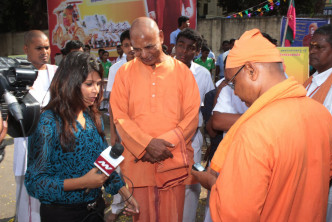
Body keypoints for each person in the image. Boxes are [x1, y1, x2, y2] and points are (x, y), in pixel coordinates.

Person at [193, 29, 332, 221]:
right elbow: (327, 172)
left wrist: (214, 183)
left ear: (251, 71)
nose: (234, 92)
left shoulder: (255, 129)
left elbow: (236, 212)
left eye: (233, 82)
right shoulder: (320, 113)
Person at [24, 52, 139, 221]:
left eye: (99, 84)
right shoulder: (48, 122)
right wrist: (83, 182)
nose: (96, 90)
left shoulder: (90, 116)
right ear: (69, 83)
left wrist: (126, 195)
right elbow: (35, 183)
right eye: (89, 84)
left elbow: (103, 163)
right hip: (62, 215)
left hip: (94, 210)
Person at [110, 17, 200, 222]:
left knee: (172, 216)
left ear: (161, 36)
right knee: (142, 216)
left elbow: (191, 117)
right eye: (137, 49)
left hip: (172, 160)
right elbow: (120, 117)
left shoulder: (182, 72)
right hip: (138, 164)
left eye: (149, 47)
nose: (144, 54)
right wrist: (146, 145)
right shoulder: (124, 74)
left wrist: (163, 147)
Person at [13, 30, 58, 222]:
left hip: (55, 145)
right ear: (26, 49)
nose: (44, 52)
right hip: (26, 144)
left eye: (47, 47)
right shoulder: (15, 75)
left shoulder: (57, 73)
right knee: (27, 197)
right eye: (38, 48)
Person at [303, 24, 332, 222]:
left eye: (320, 47)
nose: (313, 51)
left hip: (323, 185)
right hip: (307, 176)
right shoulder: (313, 80)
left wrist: (316, 184)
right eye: (312, 46)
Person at [175, 28, 214, 222]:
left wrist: (210, 139)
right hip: (165, 139)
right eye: (180, 45)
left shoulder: (203, 74)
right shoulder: (162, 71)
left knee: (191, 183)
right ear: (175, 45)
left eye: (190, 48)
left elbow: (208, 109)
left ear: (197, 51)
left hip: (193, 139)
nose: (184, 51)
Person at [105, 29, 135, 221]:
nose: (131, 49)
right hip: (122, 131)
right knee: (119, 171)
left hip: (143, 132)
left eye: (133, 44)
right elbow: (112, 104)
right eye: (126, 45)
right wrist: (114, 134)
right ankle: (116, 207)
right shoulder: (116, 69)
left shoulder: (148, 66)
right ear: (121, 48)